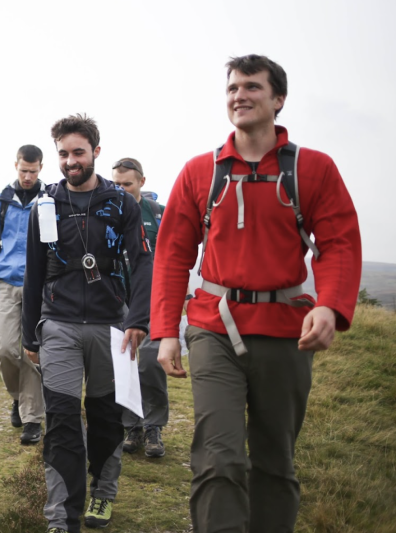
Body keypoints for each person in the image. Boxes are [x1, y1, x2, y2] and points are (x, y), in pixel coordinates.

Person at [152, 55, 362, 533]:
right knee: (218, 455)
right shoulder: (199, 172)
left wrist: (329, 305)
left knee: (274, 461)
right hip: (212, 329)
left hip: (287, 331)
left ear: (278, 100)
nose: (238, 96)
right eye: (231, 88)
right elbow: (171, 256)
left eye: (251, 87)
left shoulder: (314, 169)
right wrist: (167, 332)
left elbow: (340, 243)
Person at [22, 114, 153, 533]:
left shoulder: (123, 204)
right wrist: (30, 333)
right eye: (63, 154)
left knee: (105, 421)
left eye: (78, 152)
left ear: (96, 152)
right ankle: (62, 518)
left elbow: (144, 261)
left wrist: (138, 318)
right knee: (61, 421)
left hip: (111, 327)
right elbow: (33, 273)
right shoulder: (44, 205)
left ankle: (103, 494)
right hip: (57, 324)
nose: (70, 161)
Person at [0, 144, 46, 445]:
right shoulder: (0, 202)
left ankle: (32, 419)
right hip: (6, 284)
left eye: (33, 171)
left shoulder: (50, 199)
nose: (27, 176)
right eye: (23, 170)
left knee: (33, 353)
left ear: (40, 167)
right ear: (15, 165)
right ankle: (18, 397)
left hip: (41, 287)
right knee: (4, 349)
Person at [111, 158, 169, 458]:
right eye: (116, 184)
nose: (120, 189)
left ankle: (154, 427)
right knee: (124, 365)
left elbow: (175, 255)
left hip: (153, 301)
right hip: (116, 301)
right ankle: (131, 426)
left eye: (127, 184)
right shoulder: (105, 211)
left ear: (141, 183)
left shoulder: (159, 214)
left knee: (149, 363)